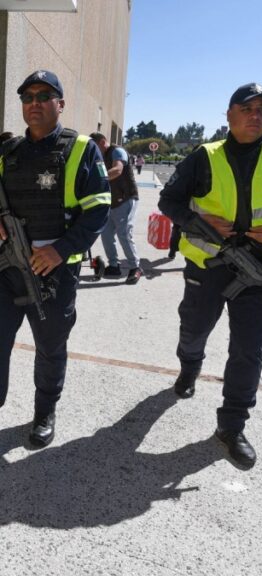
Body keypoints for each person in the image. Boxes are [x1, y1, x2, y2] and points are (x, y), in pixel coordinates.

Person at [158, 82, 262, 468]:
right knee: (194, 329)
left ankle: (231, 426)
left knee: (249, 349)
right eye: (247, 109)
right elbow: (169, 201)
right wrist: (197, 221)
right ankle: (189, 366)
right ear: (229, 115)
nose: (256, 116)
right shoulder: (204, 156)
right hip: (208, 266)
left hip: (258, 270)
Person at [0, 70, 111, 447]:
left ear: (59, 104)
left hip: (55, 272)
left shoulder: (81, 149)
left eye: (44, 95)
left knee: (50, 346)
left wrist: (60, 250)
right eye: (27, 97)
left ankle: (44, 411)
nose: (34, 103)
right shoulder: (8, 152)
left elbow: (98, 209)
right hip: (6, 268)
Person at [90, 133, 142, 284]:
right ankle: (114, 265)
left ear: (103, 142)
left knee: (124, 232)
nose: (94, 150)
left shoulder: (117, 152)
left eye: (95, 146)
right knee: (106, 234)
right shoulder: (99, 158)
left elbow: (118, 170)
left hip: (126, 198)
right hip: (110, 202)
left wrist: (97, 179)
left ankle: (135, 267)